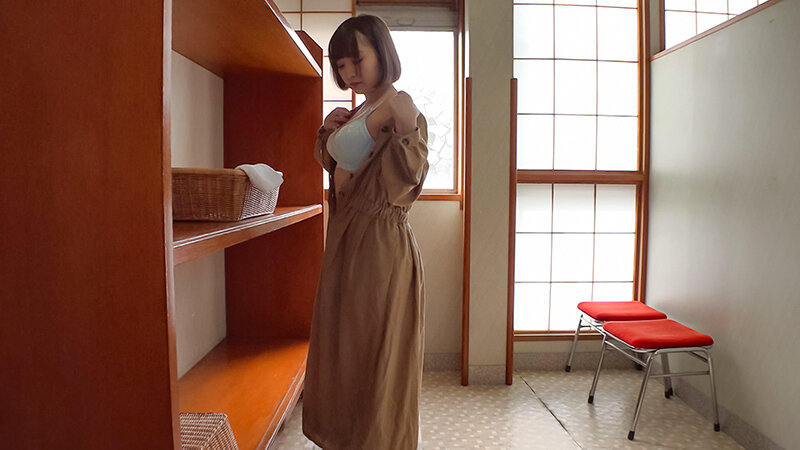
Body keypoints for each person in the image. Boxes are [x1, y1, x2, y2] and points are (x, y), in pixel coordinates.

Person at [303, 14, 429, 450]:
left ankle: (376, 442)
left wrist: (408, 129)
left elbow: (408, 180)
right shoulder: (362, 108)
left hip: (379, 246)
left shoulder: (399, 106)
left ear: (382, 52)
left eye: (356, 59)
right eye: (341, 65)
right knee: (344, 348)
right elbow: (336, 163)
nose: (349, 72)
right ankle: (347, 438)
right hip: (346, 236)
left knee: (374, 353)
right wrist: (329, 128)